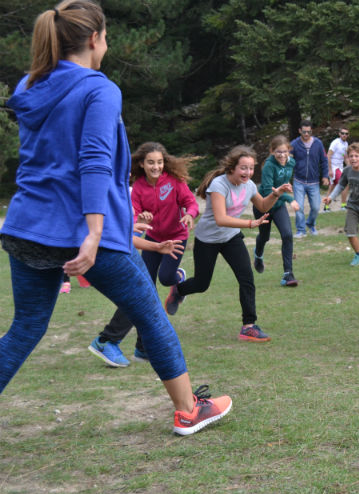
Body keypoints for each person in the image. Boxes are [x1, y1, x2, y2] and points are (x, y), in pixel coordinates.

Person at [1, 0, 230, 436]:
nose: (106, 44)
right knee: (150, 314)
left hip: (26, 225)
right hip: (85, 231)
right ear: (94, 39)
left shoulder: (30, 85)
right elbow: (93, 160)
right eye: (105, 37)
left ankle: (187, 405)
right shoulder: (99, 88)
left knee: (25, 328)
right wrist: (94, 231)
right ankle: (188, 410)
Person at [164, 145, 292, 342]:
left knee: (246, 278)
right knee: (201, 283)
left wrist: (276, 194)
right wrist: (250, 223)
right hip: (208, 239)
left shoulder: (249, 186)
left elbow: (263, 205)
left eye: (250, 168)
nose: (247, 172)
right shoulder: (219, 185)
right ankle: (178, 290)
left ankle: (249, 326)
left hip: (231, 237)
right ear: (232, 167)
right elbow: (220, 218)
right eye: (243, 168)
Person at [88, 142, 199, 367]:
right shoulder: (134, 187)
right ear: (142, 163)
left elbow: (190, 202)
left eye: (159, 162)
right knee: (141, 291)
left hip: (172, 239)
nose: (156, 166)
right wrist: (140, 219)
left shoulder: (173, 182)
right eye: (151, 162)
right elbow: (132, 217)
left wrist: (189, 214)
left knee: (154, 286)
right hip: (149, 240)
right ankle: (109, 340)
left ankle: (141, 346)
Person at [253, 135, 300, 287]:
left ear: (289, 151)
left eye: (284, 151)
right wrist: (289, 198)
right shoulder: (269, 165)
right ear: (272, 151)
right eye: (278, 152)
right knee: (264, 236)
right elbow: (268, 190)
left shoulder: (291, 162)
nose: (282, 155)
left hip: (278, 205)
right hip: (264, 205)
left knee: (287, 234)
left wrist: (286, 188)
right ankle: (258, 254)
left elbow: (284, 182)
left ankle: (288, 274)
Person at [322, 142, 359, 266]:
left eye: (356, 156)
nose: (353, 159)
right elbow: (341, 185)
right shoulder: (347, 171)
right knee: (350, 231)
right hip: (353, 206)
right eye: (351, 156)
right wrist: (330, 198)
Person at [291, 120, 329, 237]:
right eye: (304, 132)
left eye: (308, 132)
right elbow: (287, 161)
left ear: (311, 131)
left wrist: (325, 176)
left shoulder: (318, 144)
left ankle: (311, 224)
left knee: (316, 207)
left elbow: (324, 160)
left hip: (314, 182)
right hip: (298, 181)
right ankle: (301, 230)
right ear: (299, 131)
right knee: (299, 207)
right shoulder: (294, 144)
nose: (306, 134)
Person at [325, 127, 349, 212]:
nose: (344, 135)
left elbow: (345, 157)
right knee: (344, 184)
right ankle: (343, 205)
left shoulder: (346, 144)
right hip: (334, 167)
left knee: (332, 186)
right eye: (342, 133)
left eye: (346, 134)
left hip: (340, 167)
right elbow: (328, 155)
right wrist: (330, 169)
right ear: (339, 134)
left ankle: (326, 206)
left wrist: (350, 167)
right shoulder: (335, 143)